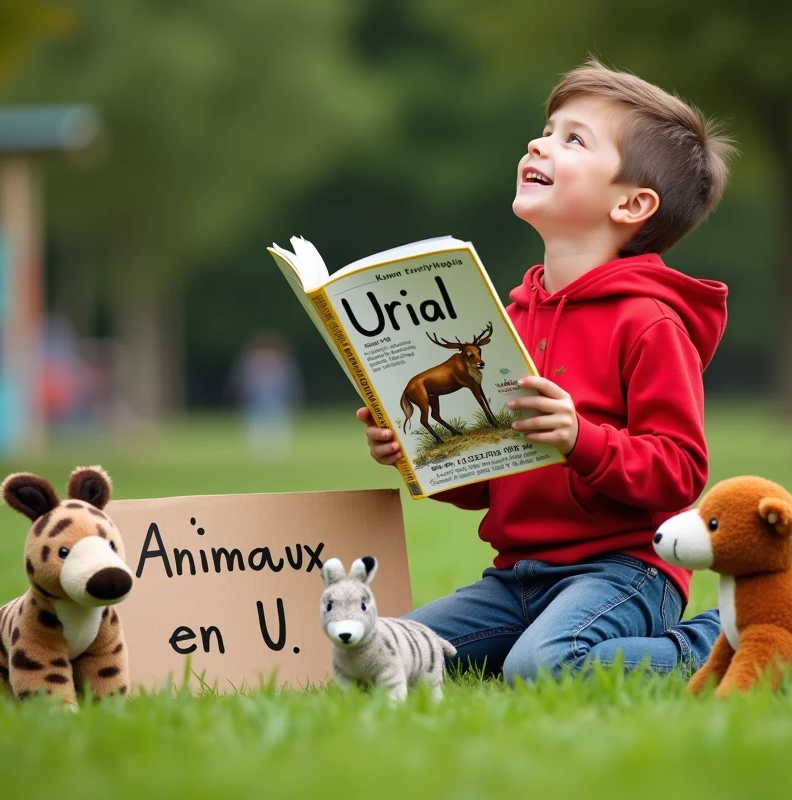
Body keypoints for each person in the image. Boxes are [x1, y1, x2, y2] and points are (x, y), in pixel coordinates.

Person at [359, 59, 733, 682]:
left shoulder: (649, 322)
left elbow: (681, 472)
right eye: (547, 130)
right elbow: (488, 482)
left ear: (632, 203)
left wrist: (580, 439)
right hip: (516, 577)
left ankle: (723, 640)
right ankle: (529, 641)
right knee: (384, 657)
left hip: (624, 571)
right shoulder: (509, 320)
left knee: (543, 667)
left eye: (574, 139)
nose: (540, 144)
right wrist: (413, 451)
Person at [232, 332, 303, 459]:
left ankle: (274, 451)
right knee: (257, 425)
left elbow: (290, 383)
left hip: (275, 401)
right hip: (257, 401)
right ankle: (262, 452)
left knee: (277, 424)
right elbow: (242, 382)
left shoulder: (281, 360)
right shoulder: (250, 360)